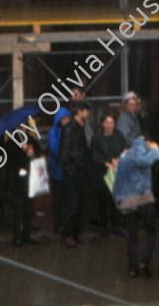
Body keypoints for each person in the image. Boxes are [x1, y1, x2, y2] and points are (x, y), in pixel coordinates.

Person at [114, 135, 159, 277]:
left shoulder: (123, 157)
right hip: (143, 199)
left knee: (132, 234)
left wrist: (118, 199)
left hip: (127, 200)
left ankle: (132, 267)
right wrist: (155, 150)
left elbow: (117, 181)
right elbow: (145, 160)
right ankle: (145, 260)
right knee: (151, 230)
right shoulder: (142, 152)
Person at [58, 101, 91, 246]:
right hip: (74, 172)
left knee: (80, 203)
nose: (87, 114)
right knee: (72, 204)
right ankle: (68, 234)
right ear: (80, 111)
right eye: (85, 111)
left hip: (80, 171)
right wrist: (70, 169)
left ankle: (77, 233)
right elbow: (64, 151)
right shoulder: (71, 128)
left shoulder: (78, 127)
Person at [89, 111, 127, 239]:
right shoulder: (97, 138)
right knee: (104, 200)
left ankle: (116, 225)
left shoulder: (119, 136)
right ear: (102, 124)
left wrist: (119, 159)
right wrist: (105, 163)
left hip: (117, 172)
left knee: (116, 200)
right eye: (107, 123)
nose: (109, 125)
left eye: (111, 123)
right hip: (103, 174)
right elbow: (94, 155)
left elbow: (125, 149)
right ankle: (105, 226)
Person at [0, 133, 38, 247]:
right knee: (18, 209)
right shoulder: (11, 141)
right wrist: (22, 151)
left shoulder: (29, 138)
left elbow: (37, 151)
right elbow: (10, 161)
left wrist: (31, 151)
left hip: (29, 180)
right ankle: (16, 236)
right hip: (17, 181)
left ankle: (26, 234)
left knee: (28, 209)